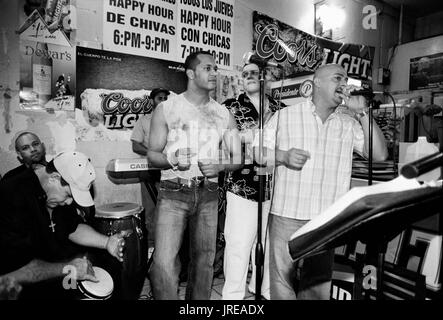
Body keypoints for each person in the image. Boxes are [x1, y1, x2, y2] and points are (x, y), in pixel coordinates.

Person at [256, 64, 388, 300]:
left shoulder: (349, 123)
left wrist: (363, 113)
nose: (344, 84)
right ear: (317, 82)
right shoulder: (285, 116)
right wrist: (282, 156)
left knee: (316, 289)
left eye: (346, 79)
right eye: (338, 78)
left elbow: (379, 155)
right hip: (288, 214)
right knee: (281, 284)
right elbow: (256, 153)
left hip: (326, 220)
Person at [147, 50, 242, 300]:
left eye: (215, 68)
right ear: (190, 73)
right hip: (173, 192)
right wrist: (171, 159)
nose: (214, 73)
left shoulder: (223, 114)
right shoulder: (167, 108)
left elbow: (238, 158)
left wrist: (221, 167)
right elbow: (152, 155)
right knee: (164, 264)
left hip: (209, 193)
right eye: (208, 68)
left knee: (204, 264)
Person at [0, 151, 128, 299]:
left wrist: (107, 242)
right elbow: (21, 269)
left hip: (46, 268)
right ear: (54, 178)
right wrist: (68, 268)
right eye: (68, 195)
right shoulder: (11, 197)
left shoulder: (55, 192)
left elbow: (71, 227)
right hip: (13, 281)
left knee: (108, 266)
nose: (69, 202)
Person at [221, 63, 285, 300]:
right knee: (238, 244)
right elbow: (225, 145)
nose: (248, 76)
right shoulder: (230, 107)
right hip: (242, 186)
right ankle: (232, 297)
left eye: (254, 73)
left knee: (268, 245)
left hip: (274, 187)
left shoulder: (281, 109)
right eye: (244, 73)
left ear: (265, 77)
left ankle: (264, 290)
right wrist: (250, 139)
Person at [131, 87, 170, 260]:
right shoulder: (144, 120)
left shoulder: (173, 121)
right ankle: (151, 251)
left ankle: (168, 251)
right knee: (151, 213)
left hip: (169, 171)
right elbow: (135, 145)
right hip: (148, 171)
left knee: (170, 212)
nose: (163, 100)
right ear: (152, 100)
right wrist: (153, 153)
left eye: (165, 98)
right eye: (159, 97)